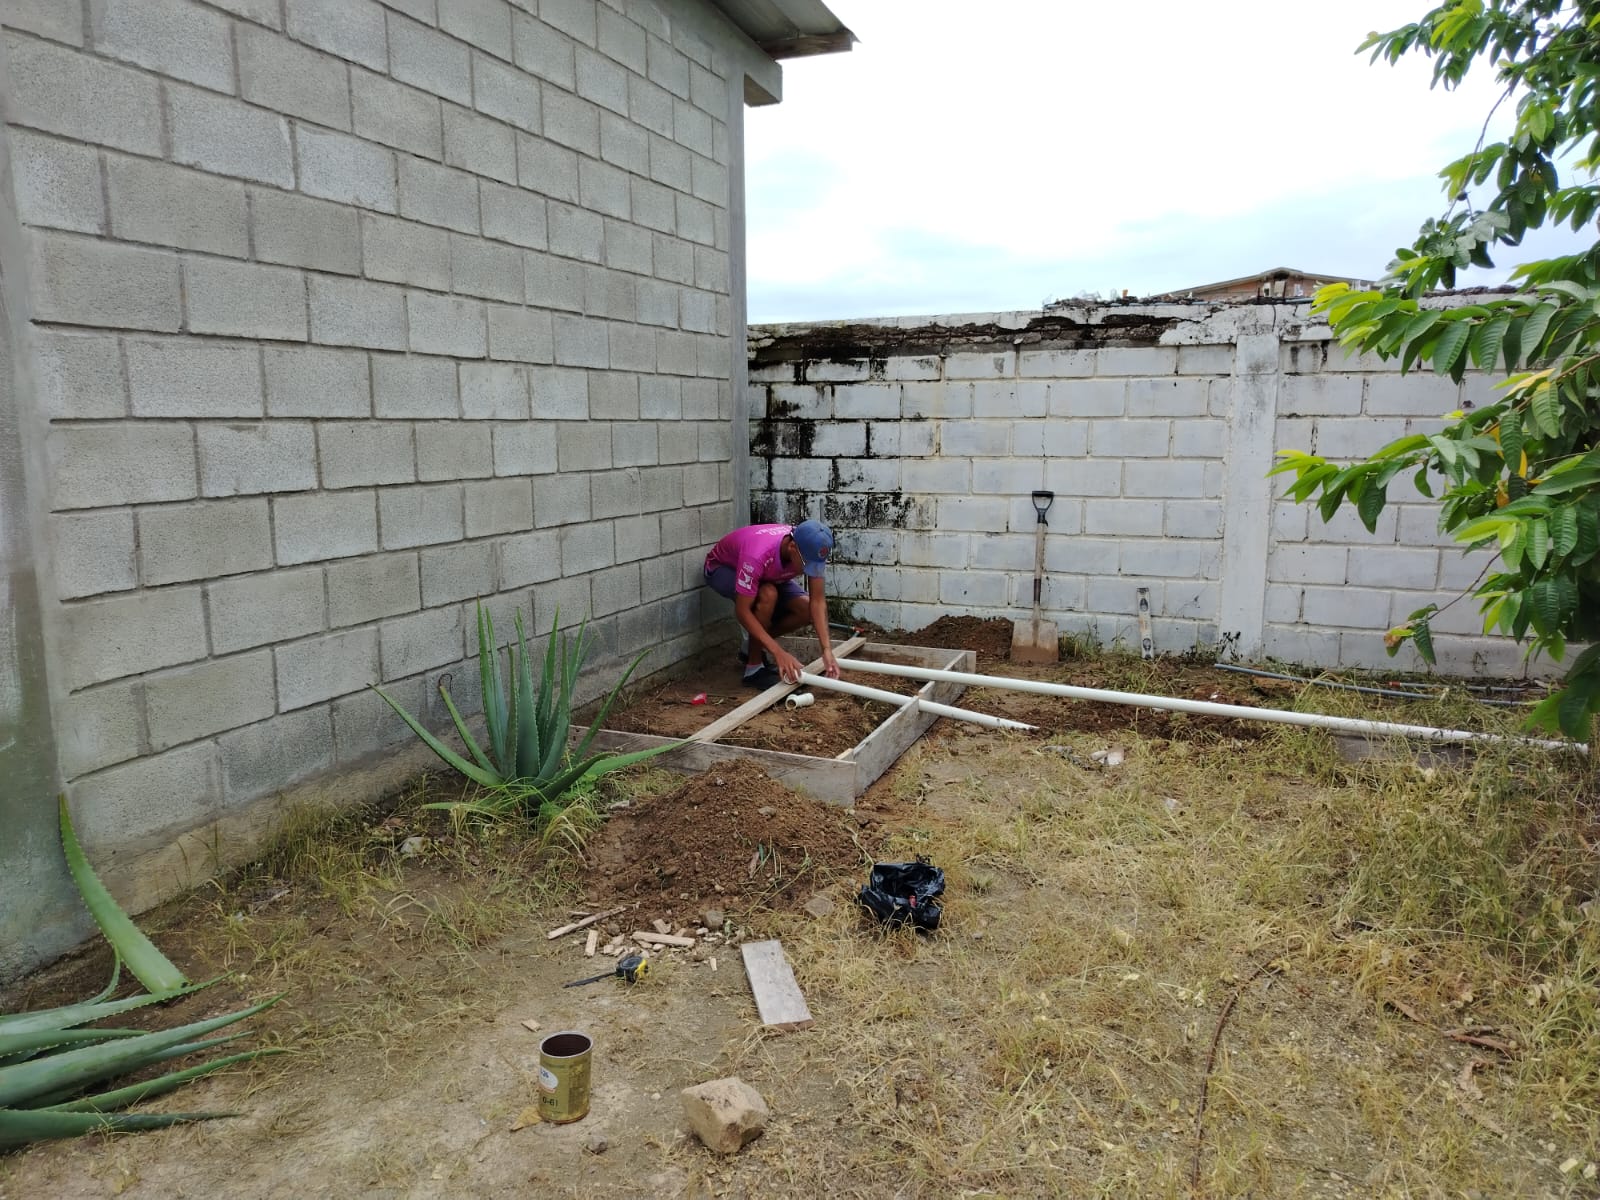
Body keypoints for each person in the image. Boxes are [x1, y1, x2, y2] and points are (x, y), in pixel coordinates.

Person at [703, 519, 841, 687]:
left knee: (805, 609)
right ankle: (754, 669)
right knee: (768, 594)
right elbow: (742, 611)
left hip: (766, 573)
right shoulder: (757, 554)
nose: (810, 571)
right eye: (807, 564)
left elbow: (817, 602)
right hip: (723, 569)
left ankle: (751, 647)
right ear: (792, 548)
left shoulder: (809, 547)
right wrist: (778, 652)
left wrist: (826, 649)